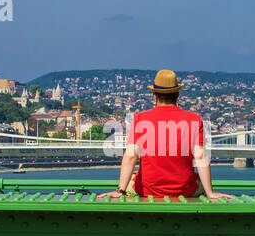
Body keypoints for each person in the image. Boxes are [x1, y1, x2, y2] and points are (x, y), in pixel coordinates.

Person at [99, 69, 232, 201]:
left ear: (154, 96)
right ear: (177, 95)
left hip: (147, 191)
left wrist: (120, 190)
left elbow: (131, 156)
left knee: (133, 178)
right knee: (197, 179)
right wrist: (210, 193)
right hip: (185, 191)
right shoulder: (194, 120)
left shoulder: (140, 120)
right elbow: (201, 156)